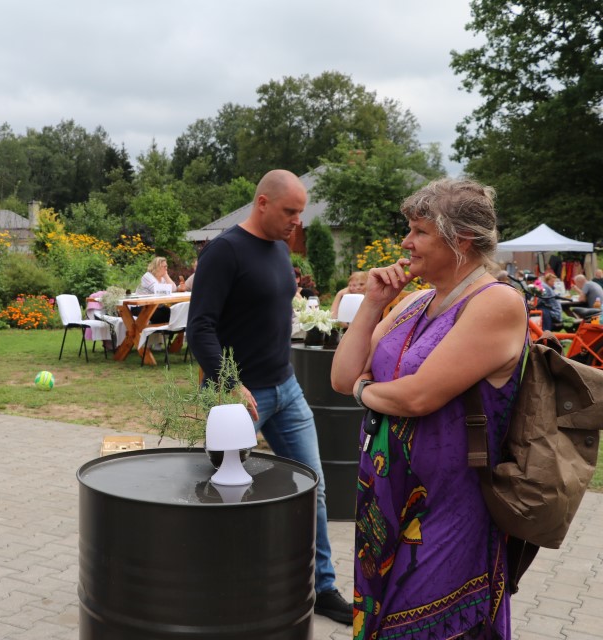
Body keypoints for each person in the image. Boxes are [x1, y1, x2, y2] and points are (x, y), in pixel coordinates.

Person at [331, 178, 527, 639]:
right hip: (385, 497)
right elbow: (341, 376)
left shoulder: (496, 302)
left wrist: (365, 392)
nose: (406, 242)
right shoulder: (416, 301)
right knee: (381, 617)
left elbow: (418, 398)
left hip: (449, 506)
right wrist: (373, 305)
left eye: (420, 231)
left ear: (462, 240)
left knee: (423, 623)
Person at [186, 169, 352, 626]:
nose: (297, 222)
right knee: (220, 494)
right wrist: (229, 382)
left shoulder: (280, 247)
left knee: (313, 488)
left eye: (300, 212)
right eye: (289, 211)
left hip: (287, 389)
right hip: (237, 397)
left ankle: (322, 588)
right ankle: (203, 586)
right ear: (262, 203)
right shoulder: (224, 252)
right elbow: (199, 327)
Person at [136, 256, 176, 323]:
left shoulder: (163, 278)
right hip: (142, 306)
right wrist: (167, 285)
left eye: (166, 266)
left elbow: (174, 288)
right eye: (164, 266)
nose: (166, 268)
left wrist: (166, 276)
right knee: (162, 316)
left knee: (174, 315)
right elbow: (157, 290)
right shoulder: (147, 276)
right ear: (157, 267)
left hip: (156, 306)